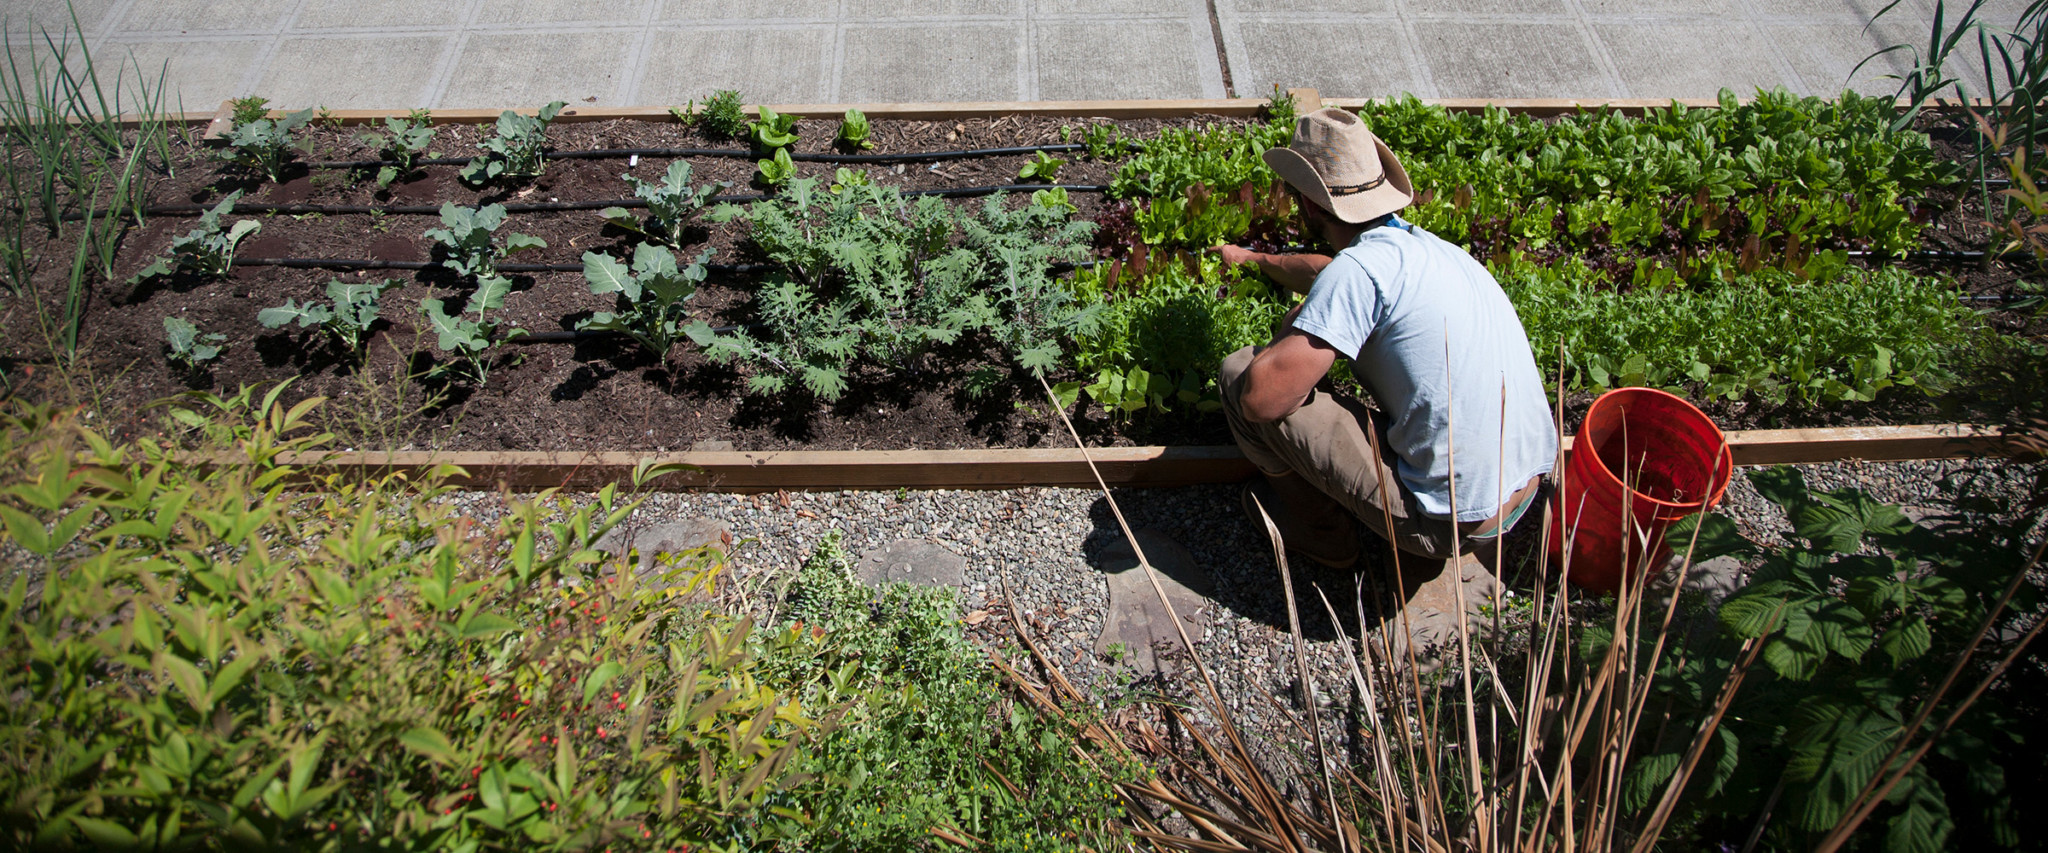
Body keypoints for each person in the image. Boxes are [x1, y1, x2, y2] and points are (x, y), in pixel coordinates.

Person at [1211, 108, 1556, 570]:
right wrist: (1254, 260)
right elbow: (1326, 271)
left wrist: (1298, 322)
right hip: (1526, 489)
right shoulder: (1430, 252)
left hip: (1449, 523)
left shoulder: (1358, 274)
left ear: (1310, 205)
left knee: (1241, 377)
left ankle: (1323, 536)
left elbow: (1263, 399)